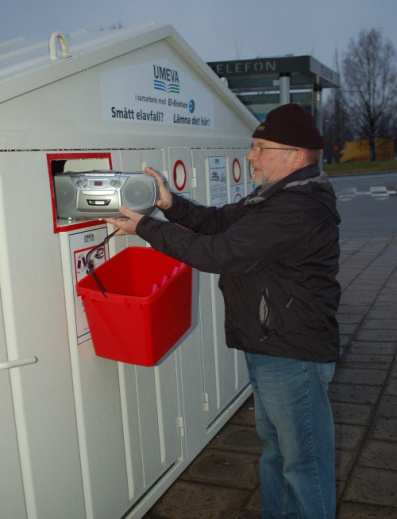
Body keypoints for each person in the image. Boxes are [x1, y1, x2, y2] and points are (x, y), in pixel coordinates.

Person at [107, 103, 341, 519]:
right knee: (276, 453)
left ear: (295, 154)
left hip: (293, 352)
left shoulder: (298, 207)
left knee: (304, 464)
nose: (250, 156)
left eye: (259, 147)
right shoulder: (275, 195)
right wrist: (169, 203)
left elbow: (218, 252)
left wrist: (145, 227)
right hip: (274, 345)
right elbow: (218, 222)